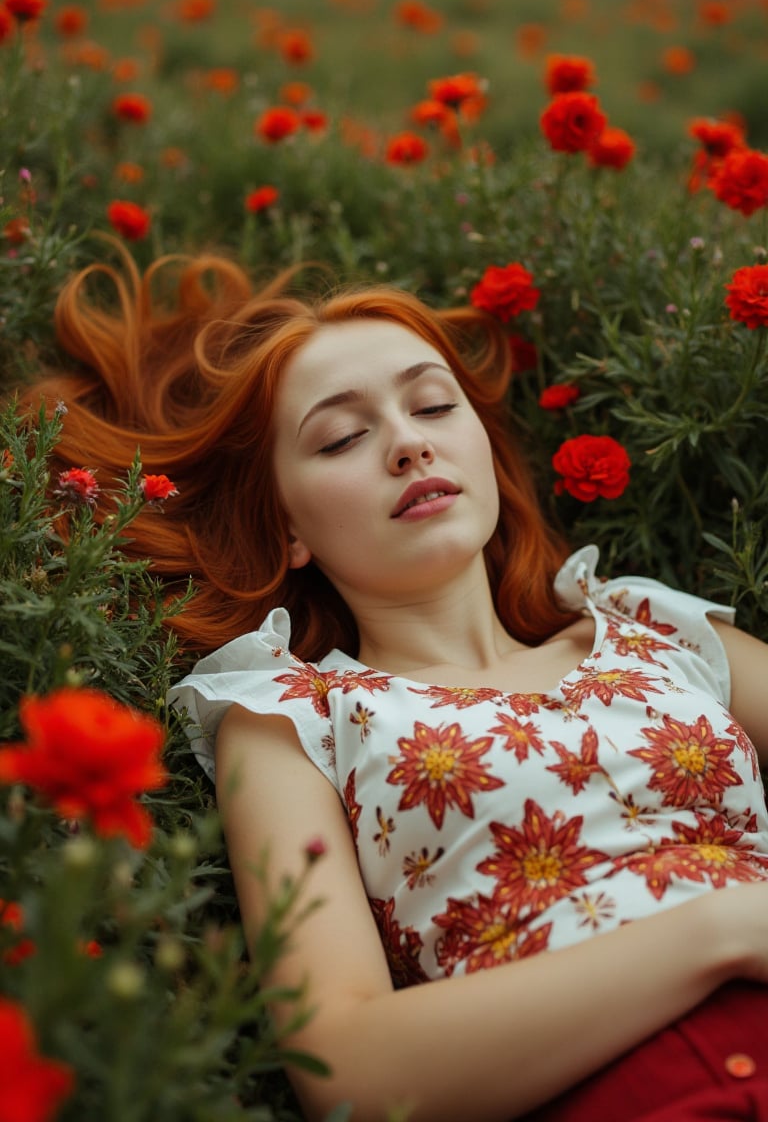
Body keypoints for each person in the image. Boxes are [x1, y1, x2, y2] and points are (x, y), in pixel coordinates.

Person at [21, 243, 768, 1122]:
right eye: (343, 436)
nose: (410, 444)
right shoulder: (293, 718)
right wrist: (720, 932)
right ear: (288, 527)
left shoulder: (655, 627)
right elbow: (348, 1070)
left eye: (432, 405)